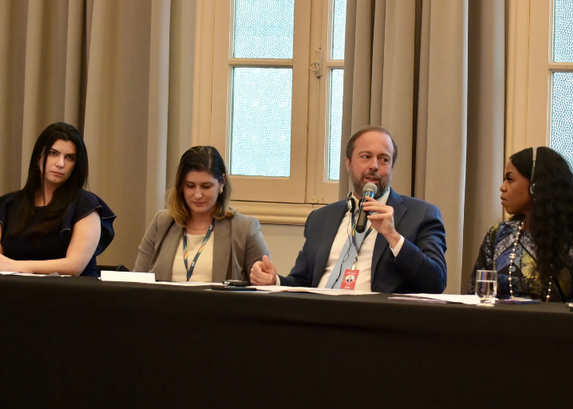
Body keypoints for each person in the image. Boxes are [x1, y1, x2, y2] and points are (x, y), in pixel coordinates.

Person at [249, 126, 447, 293]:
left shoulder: (421, 214)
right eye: (366, 156)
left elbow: (436, 282)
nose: (374, 166)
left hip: (377, 326)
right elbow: (302, 282)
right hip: (320, 320)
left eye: (384, 159)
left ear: (392, 166)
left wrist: (393, 236)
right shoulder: (321, 218)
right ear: (348, 163)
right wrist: (274, 281)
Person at [468, 147, 573, 304]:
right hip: (500, 326)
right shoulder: (498, 235)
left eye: (510, 179)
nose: (502, 187)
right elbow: (476, 296)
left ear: (536, 185)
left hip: (558, 327)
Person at [134, 146, 270, 282]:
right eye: (190, 186)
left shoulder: (244, 228)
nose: (197, 195)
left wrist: (266, 278)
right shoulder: (162, 222)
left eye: (206, 186)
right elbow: (138, 280)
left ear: (221, 182)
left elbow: (266, 282)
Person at [0, 122, 115, 276]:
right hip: (13, 293)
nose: (60, 164)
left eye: (69, 158)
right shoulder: (7, 205)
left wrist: (17, 266)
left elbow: (74, 266)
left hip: (69, 294)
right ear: (37, 157)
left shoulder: (86, 205)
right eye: (53, 153)